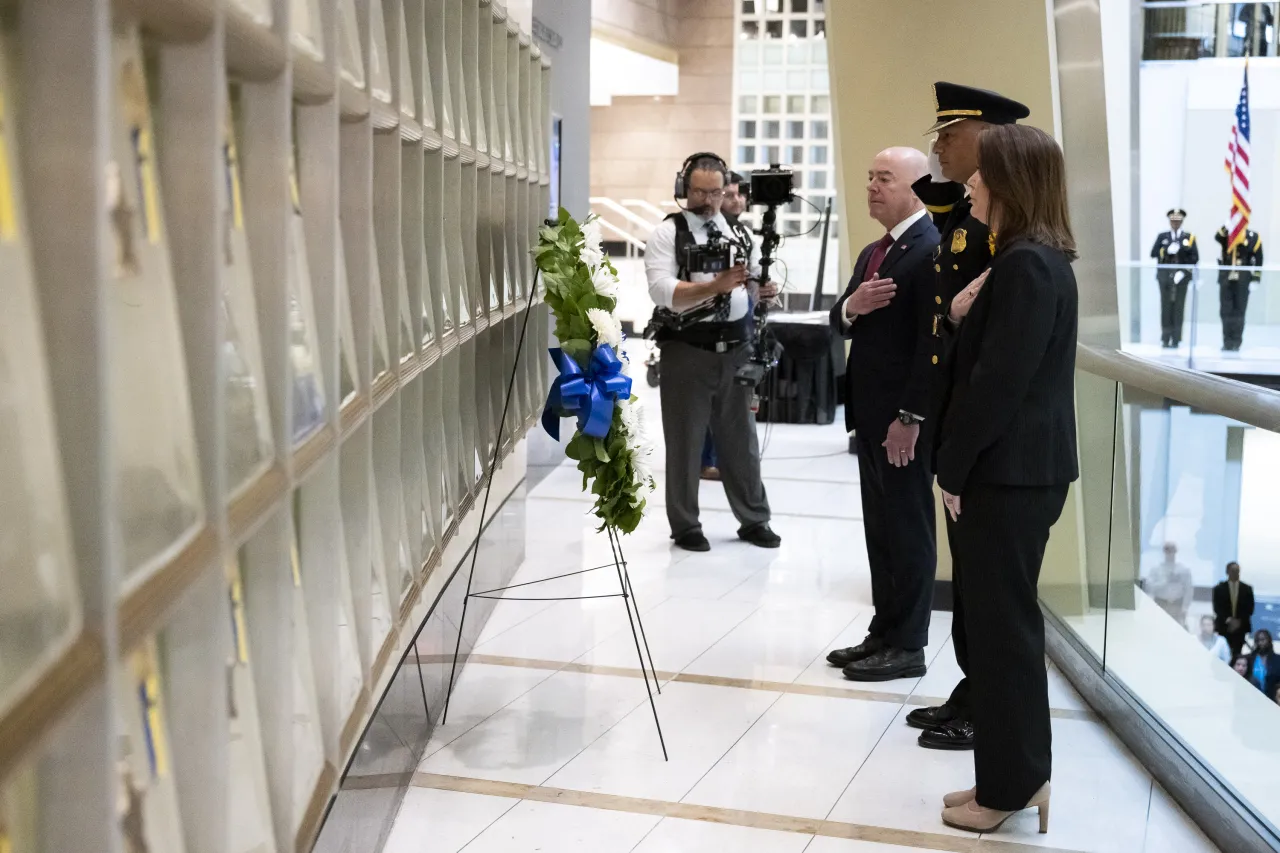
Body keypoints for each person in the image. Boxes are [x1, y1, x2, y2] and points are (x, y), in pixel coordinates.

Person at [934, 124, 1079, 834]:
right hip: (1017, 471)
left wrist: (952, 467)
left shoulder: (1026, 265)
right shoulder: (1029, 258)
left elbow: (998, 385)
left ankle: (1014, 784)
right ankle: (1007, 776)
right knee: (999, 630)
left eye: (981, 174)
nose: (970, 185)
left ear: (1010, 184)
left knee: (1002, 633)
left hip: (1009, 474)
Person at [905, 81, 1030, 753]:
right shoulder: (961, 211)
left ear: (986, 137)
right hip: (958, 418)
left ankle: (986, 700)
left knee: (989, 588)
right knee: (972, 579)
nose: (938, 145)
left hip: (991, 440)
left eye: (949, 134)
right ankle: (971, 685)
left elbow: (992, 341)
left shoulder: (1013, 236)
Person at [826, 147, 940, 682]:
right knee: (882, 531)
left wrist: (910, 416)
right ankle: (884, 631)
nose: (871, 186)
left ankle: (909, 644)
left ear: (916, 188)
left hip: (902, 423)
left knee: (908, 529)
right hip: (869, 415)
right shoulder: (878, 249)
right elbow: (840, 314)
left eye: (884, 178)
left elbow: (930, 344)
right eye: (869, 176)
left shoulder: (929, 247)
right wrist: (855, 306)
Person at [645, 153, 780, 552]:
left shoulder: (739, 233)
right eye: (699, 192)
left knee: (742, 442)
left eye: (715, 192)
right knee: (685, 443)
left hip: (737, 349)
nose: (707, 200)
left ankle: (754, 518)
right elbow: (661, 291)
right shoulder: (667, 233)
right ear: (683, 190)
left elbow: (751, 283)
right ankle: (686, 525)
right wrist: (713, 286)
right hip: (687, 349)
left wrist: (762, 291)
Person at [1150, 209, 1199, 349]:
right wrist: (1166, 250)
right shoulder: (1163, 237)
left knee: (1178, 307)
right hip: (1165, 277)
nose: (1175, 223)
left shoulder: (1189, 238)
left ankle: (1176, 339)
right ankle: (1165, 338)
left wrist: (1183, 271)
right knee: (1166, 307)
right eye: (1173, 221)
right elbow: (1153, 253)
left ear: (1182, 221)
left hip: (1181, 278)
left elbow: (1195, 258)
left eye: (1178, 221)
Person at [1214, 225, 1263, 351]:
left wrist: (1256, 278)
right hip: (1226, 277)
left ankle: (1236, 341)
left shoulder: (1253, 237)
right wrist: (1227, 225)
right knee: (1225, 311)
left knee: (1239, 310)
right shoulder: (1227, 233)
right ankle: (1227, 341)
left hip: (1243, 279)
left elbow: (1258, 258)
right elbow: (1218, 237)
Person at [1147, 542, 1194, 628]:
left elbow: (1189, 590)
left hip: (1177, 605)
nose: (1170, 553)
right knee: (1158, 628)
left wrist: (1185, 607)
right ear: (1164, 552)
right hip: (1160, 603)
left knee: (1175, 630)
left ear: (1175, 552)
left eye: (1172, 550)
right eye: (1167, 550)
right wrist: (1164, 582)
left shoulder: (1183, 569)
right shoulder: (1156, 569)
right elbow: (1149, 587)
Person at [1213, 561, 1254, 660]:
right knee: (1223, 654)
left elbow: (1250, 608)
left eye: (1237, 571)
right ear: (1227, 572)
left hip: (1241, 627)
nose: (1236, 573)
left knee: (1237, 655)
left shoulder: (1247, 589)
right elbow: (1217, 608)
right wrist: (1229, 620)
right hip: (1224, 627)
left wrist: (1238, 622)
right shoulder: (1219, 588)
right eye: (1233, 571)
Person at [1244, 629, 1279, 698]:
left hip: (1271, 699)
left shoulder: (1278, 660)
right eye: (1257, 641)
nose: (1260, 643)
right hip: (1250, 697)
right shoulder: (1249, 658)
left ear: (1269, 640)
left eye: (1263, 640)